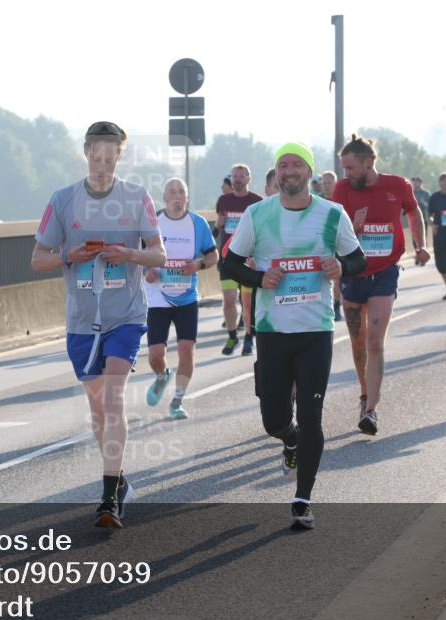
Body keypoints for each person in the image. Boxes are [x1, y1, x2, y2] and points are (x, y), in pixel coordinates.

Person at [223, 142, 365, 529]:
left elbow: (359, 258)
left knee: (312, 415)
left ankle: (303, 499)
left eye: (296, 165)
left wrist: (341, 267)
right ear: (277, 173)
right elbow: (230, 262)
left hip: (315, 330)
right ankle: (289, 440)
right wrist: (258, 278)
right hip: (272, 331)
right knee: (274, 419)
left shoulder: (332, 214)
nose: (288, 171)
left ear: (309, 173)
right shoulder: (257, 214)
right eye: (282, 165)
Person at [31, 121, 166, 528]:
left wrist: (129, 254)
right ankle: (119, 477)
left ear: (119, 157)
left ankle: (108, 499)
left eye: (111, 157)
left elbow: (158, 255)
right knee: (96, 409)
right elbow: (37, 259)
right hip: (81, 320)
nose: (103, 163)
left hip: (124, 315)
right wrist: (69, 256)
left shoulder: (137, 197)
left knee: (113, 398)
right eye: (97, 155)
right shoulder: (63, 200)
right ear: (87, 153)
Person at [331, 134, 429, 436]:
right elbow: (332, 233)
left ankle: (371, 410)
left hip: (385, 272)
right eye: (344, 169)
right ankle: (363, 395)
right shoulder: (342, 189)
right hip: (352, 273)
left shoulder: (398, 186)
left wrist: (420, 244)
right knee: (358, 344)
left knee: (375, 342)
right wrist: (355, 228)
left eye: (350, 168)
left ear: (369, 162)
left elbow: (414, 212)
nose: (346, 174)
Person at [144, 178, 219, 419]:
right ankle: (162, 375)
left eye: (181, 192)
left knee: (187, 350)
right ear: (164, 198)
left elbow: (213, 255)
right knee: (156, 355)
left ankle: (177, 401)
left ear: (187, 197)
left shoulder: (197, 223)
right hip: (159, 298)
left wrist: (198, 264)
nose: (177, 195)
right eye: (172, 192)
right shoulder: (153, 222)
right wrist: (148, 271)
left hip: (187, 297)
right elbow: (140, 255)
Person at [216, 164, 263, 356]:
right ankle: (232, 335)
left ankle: (249, 339)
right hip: (228, 258)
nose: (237, 179)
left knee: (247, 302)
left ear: (248, 179)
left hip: (247, 259)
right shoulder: (223, 201)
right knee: (228, 300)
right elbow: (221, 228)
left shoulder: (257, 202)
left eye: (241, 176)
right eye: (234, 176)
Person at [321, 170, 342, 320]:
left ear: (335, 183)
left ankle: (337, 305)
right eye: (324, 183)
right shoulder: (316, 200)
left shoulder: (341, 201)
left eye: (330, 182)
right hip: (321, 244)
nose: (327, 186)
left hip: (338, 242)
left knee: (337, 277)